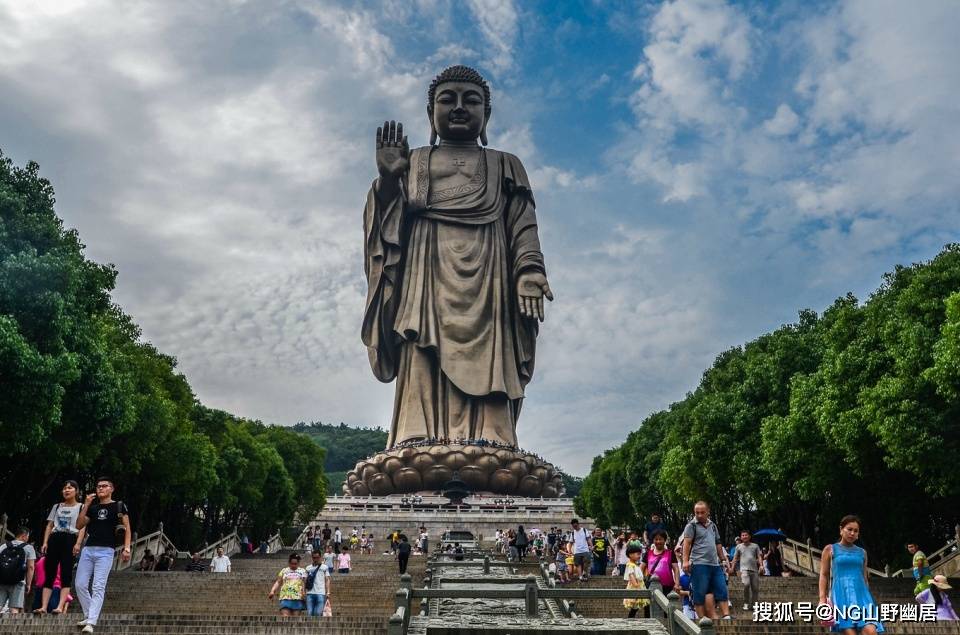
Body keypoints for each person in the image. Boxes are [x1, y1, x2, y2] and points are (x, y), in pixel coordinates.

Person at [363, 65, 552, 452]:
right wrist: (387, 182)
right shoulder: (412, 161)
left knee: (493, 355)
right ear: (431, 112)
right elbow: (386, 227)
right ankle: (414, 436)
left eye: (472, 99)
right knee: (419, 343)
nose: (460, 107)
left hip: (491, 282)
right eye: (448, 99)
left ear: (488, 114)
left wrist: (529, 271)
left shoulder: (505, 163)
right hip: (425, 274)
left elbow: (523, 223)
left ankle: (495, 440)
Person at [74, 477, 131, 633]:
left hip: (106, 551)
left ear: (111, 489)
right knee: (80, 584)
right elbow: (79, 525)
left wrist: (127, 548)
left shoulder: (118, 506)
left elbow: (127, 528)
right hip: (88, 549)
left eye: (104, 486)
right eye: (98, 486)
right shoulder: (92, 508)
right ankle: (88, 615)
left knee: (98, 586)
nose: (100, 488)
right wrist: (86, 504)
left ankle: (91, 622)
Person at [818, 515, 883, 634]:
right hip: (841, 594)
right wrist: (822, 599)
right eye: (849, 529)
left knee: (871, 631)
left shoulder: (862, 552)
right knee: (849, 632)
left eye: (856, 531)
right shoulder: (830, 549)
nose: (852, 533)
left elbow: (864, 577)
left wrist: (867, 596)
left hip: (862, 596)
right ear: (841, 530)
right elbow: (824, 574)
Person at [37, 479, 84, 614]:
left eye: (70, 488)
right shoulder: (57, 506)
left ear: (76, 491)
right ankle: (44, 607)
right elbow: (50, 525)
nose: (66, 490)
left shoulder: (81, 507)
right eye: (64, 488)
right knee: (50, 573)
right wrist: (45, 542)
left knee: (66, 574)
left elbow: (82, 527)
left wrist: (78, 544)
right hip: (55, 538)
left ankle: (59, 606)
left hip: (70, 538)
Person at [681, 501, 731, 620]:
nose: (699, 515)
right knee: (699, 593)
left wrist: (723, 559)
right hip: (698, 563)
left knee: (721, 589)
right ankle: (702, 619)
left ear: (708, 512)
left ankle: (726, 616)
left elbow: (718, 543)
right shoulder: (691, 525)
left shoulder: (713, 525)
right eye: (697, 512)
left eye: (702, 512)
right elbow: (686, 544)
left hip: (714, 563)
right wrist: (685, 561)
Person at [0, 527, 36, 615]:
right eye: (27, 536)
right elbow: (31, 567)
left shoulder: (4, 546)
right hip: (18, 582)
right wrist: (28, 584)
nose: (27, 538)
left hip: (2, 580)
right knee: (14, 608)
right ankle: (11, 628)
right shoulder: (29, 548)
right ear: (23, 536)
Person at [731, 529, 763, 612]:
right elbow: (735, 558)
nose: (744, 536)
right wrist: (732, 568)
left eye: (746, 535)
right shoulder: (739, 547)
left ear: (749, 536)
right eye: (742, 535)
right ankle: (746, 602)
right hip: (744, 570)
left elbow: (759, 556)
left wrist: (761, 565)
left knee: (755, 588)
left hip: (754, 570)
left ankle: (754, 604)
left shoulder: (755, 546)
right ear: (741, 537)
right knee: (746, 584)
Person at [643, 530, 680, 595]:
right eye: (656, 539)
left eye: (660, 539)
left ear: (664, 540)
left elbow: (676, 569)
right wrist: (641, 582)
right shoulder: (648, 553)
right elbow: (641, 567)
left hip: (667, 587)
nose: (658, 541)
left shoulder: (670, 553)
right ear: (653, 540)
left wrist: (677, 584)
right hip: (651, 586)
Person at [623, 544, 649, 618]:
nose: (639, 556)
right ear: (630, 555)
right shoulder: (630, 565)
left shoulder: (635, 565)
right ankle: (630, 620)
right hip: (636, 587)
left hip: (640, 586)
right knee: (635, 606)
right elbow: (631, 575)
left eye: (639, 554)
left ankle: (646, 619)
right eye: (637, 554)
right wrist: (636, 586)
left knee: (641, 605)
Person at [305, 550, 331, 617]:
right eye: (314, 557)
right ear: (312, 557)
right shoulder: (308, 568)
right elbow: (305, 580)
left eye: (317, 557)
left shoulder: (324, 567)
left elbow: (327, 579)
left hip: (321, 593)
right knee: (309, 613)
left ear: (320, 557)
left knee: (318, 613)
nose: (315, 559)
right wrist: (303, 591)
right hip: (310, 593)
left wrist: (328, 592)